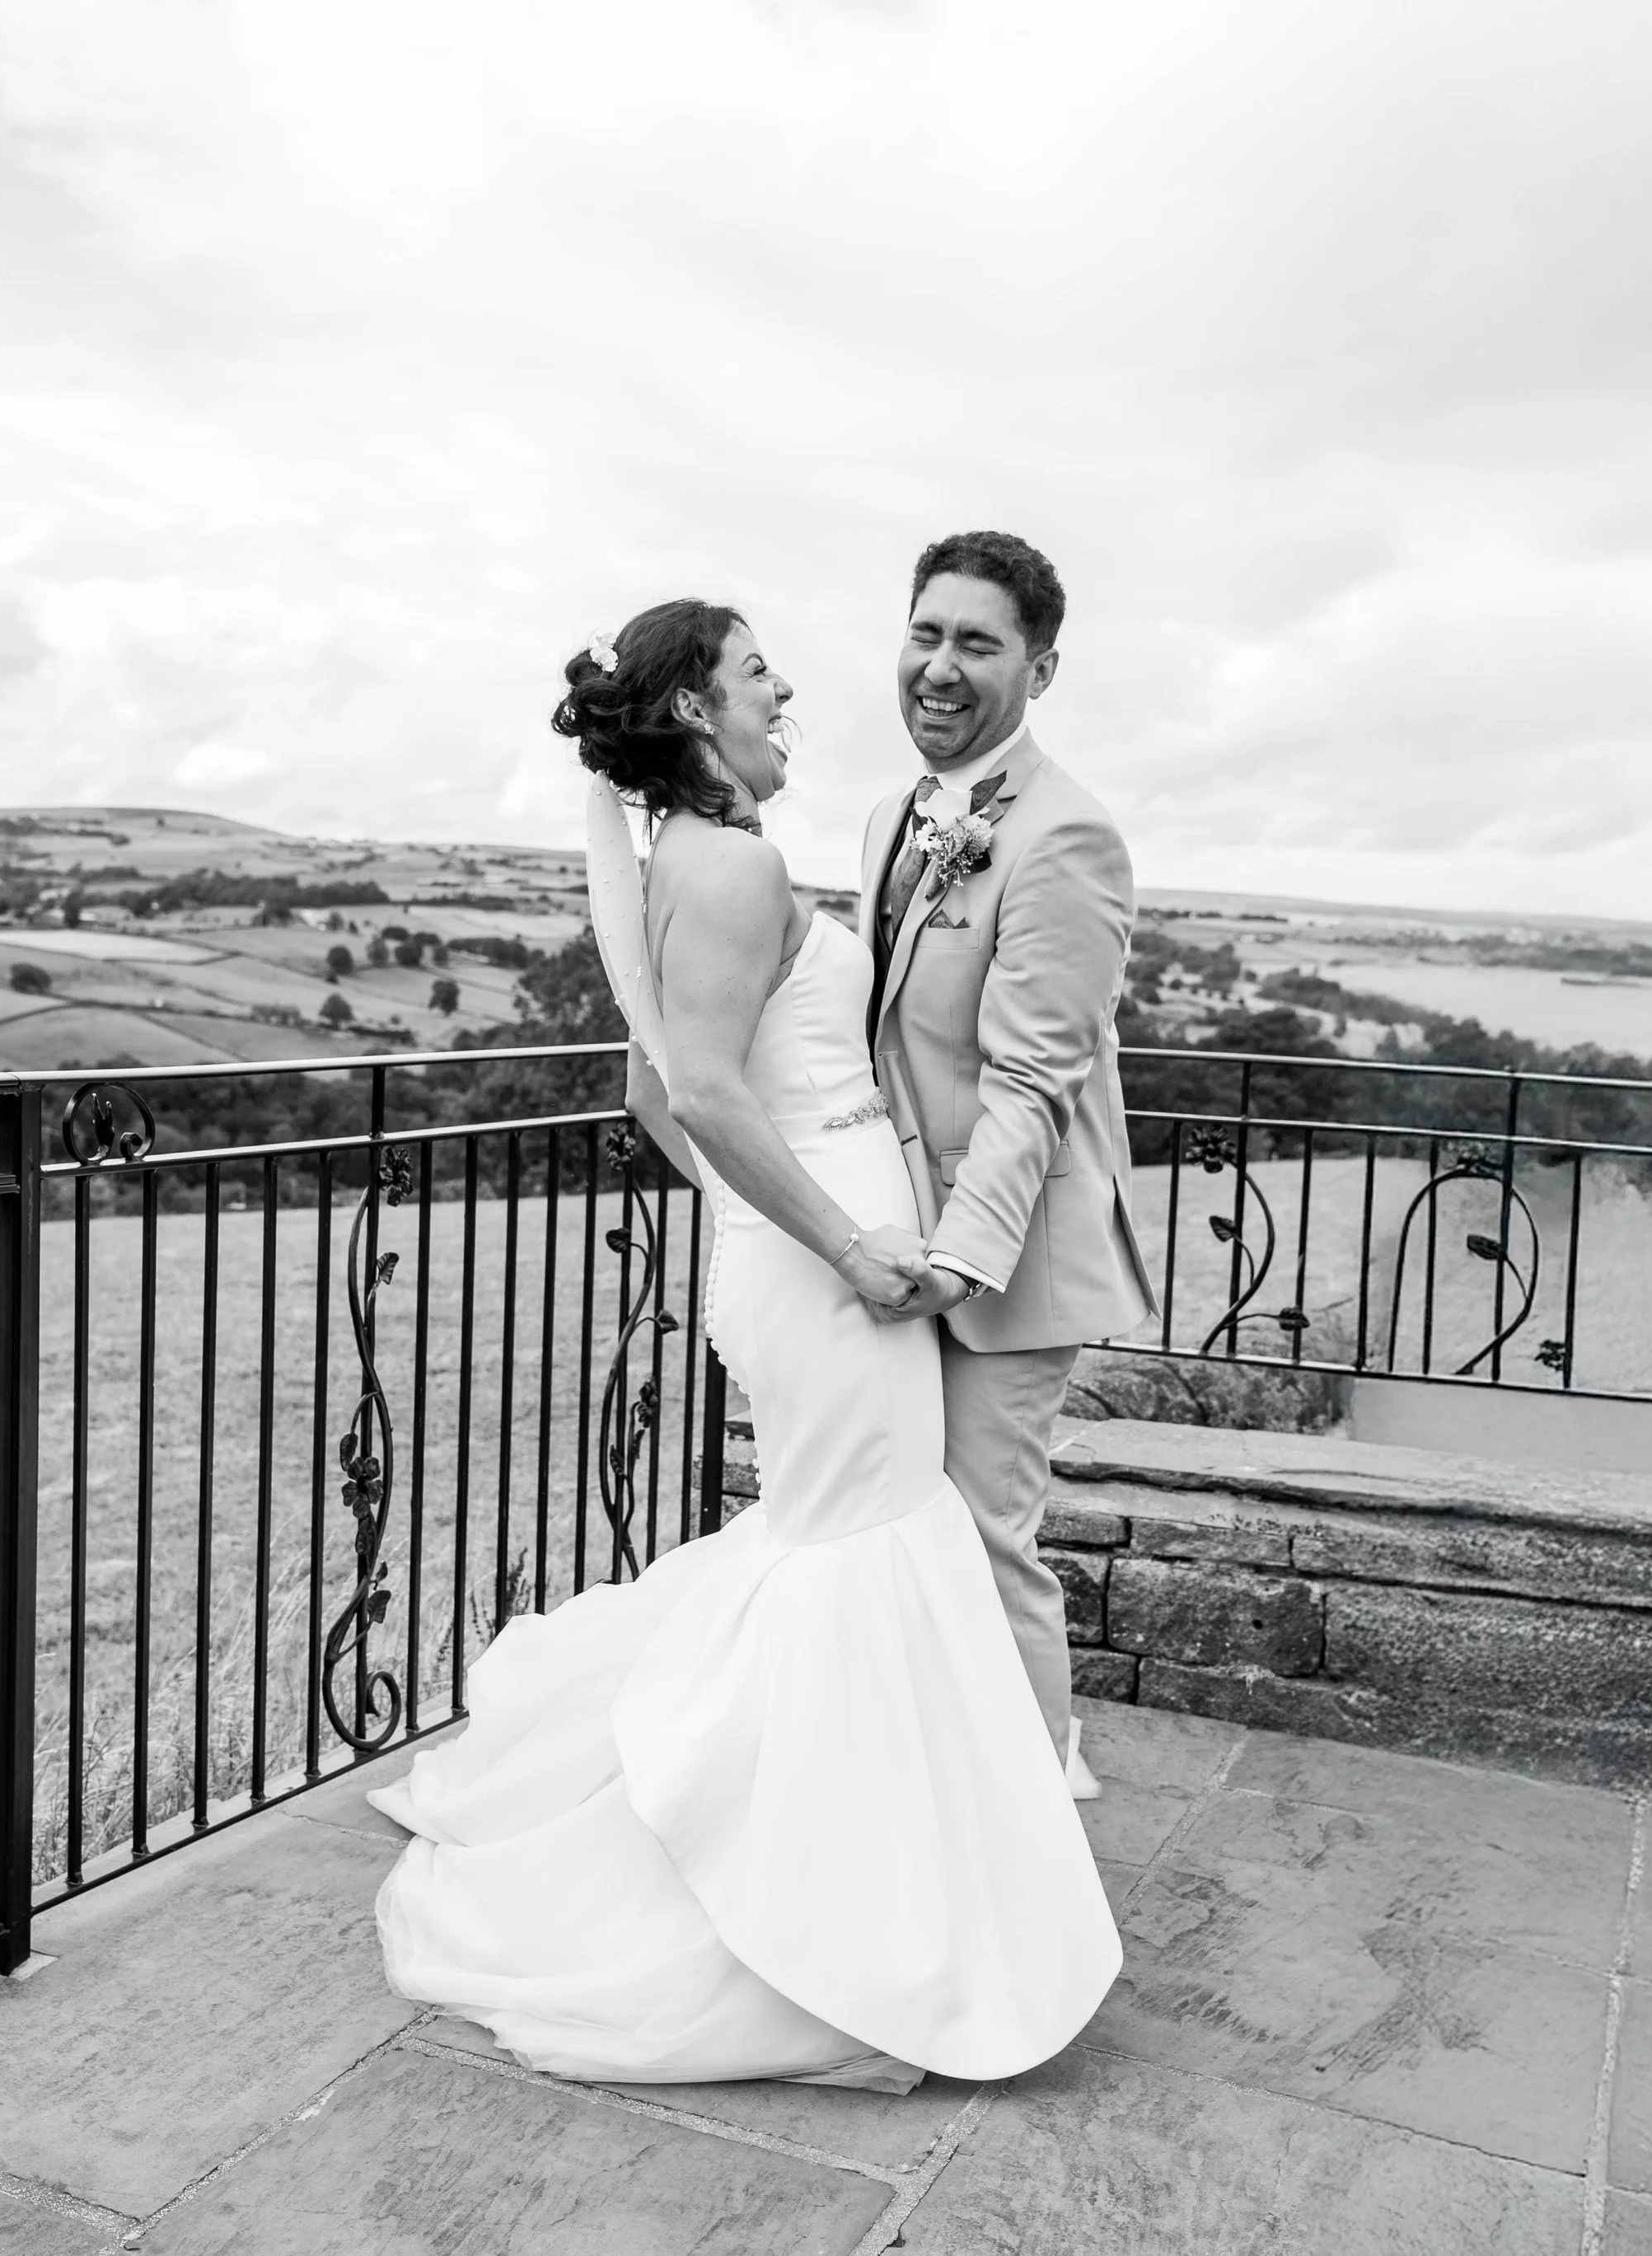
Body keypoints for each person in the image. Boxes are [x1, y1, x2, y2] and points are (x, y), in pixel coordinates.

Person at [367, 598, 1120, 2092]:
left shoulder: (692, 859)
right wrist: (834, 1240)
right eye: (756, 675)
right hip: (840, 1269)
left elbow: (668, 1101)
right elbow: (701, 1090)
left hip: (820, 1251)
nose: (785, 692)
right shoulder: (732, 866)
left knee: (854, 1550)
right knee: (861, 1558)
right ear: (700, 715)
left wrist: (779, 1230)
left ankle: (889, 1881)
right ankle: (823, 1922)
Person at [861, 532, 1156, 1797]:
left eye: (977, 642)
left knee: (985, 1541)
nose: (940, 665)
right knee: (898, 1538)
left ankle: (1028, 1829)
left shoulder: (1069, 835)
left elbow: (1034, 1081)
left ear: (1041, 668)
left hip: (1005, 1252)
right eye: (926, 633)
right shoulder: (890, 814)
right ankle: (930, 1795)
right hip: (900, 1232)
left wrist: (958, 1256)